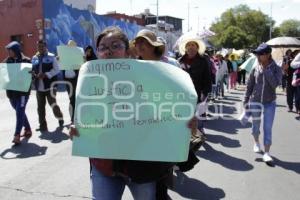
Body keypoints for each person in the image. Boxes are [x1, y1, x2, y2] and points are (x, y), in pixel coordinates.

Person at [70, 27, 195, 200]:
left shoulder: (148, 77)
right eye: (103, 47)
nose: (108, 51)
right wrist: (77, 130)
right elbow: (83, 120)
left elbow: (171, 111)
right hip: (104, 165)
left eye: (115, 45)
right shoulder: (90, 81)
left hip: (141, 167)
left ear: (128, 51)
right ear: (97, 53)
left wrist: (185, 120)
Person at [243, 43, 282, 164]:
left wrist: (266, 70)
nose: (258, 56)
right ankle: (256, 142)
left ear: (268, 54)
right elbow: (250, 85)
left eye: (260, 54)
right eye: (257, 54)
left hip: (270, 102)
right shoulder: (255, 68)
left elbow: (275, 84)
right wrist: (246, 99)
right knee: (255, 126)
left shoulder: (276, 68)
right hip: (255, 101)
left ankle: (267, 153)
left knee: (267, 128)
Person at [178, 35, 212, 137]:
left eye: (193, 45)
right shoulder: (180, 61)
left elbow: (207, 79)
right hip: (183, 96)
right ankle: (187, 138)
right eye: (188, 45)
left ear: (197, 48)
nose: (191, 47)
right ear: (185, 48)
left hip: (198, 94)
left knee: (197, 117)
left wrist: (205, 94)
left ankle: (199, 134)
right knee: (185, 119)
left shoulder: (203, 61)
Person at [32, 40, 64, 131]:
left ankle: (60, 118)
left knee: (53, 104)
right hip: (39, 86)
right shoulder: (34, 58)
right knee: (40, 107)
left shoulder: (51, 57)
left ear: (45, 47)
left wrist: (46, 74)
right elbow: (33, 69)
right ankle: (42, 125)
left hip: (50, 85)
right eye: (38, 46)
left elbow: (57, 69)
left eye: (42, 46)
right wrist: (34, 75)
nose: (40, 48)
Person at [4, 41, 32, 144]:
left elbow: (30, 76)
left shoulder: (26, 61)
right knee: (19, 111)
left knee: (19, 111)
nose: (8, 52)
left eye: (10, 50)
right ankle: (28, 129)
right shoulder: (8, 61)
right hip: (11, 93)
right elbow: (4, 75)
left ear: (15, 50)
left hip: (22, 93)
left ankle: (17, 135)